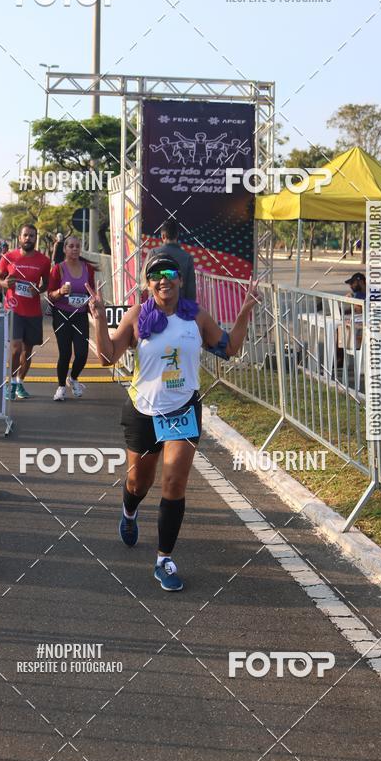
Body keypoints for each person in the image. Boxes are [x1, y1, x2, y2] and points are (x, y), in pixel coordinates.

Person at [87, 254, 258, 592]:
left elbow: (230, 348)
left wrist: (245, 312)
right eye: (155, 274)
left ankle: (164, 559)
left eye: (169, 273)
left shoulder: (197, 317)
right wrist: (99, 319)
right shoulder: (137, 316)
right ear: (148, 283)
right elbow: (107, 357)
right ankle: (129, 510)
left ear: (180, 279)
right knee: (139, 483)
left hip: (182, 410)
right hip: (144, 411)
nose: (163, 279)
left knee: (174, 483)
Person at [0, 223, 50, 399]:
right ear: (20, 238)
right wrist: (4, 283)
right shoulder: (9, 257)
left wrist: (38, 290)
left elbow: (46, 284)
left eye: (31, 236)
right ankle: (10, 383)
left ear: (35, 238)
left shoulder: (44, 260)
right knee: (15, 349)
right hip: (14, 309)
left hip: (33, 312)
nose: (28, 238)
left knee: (27, 351)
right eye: (25, 235)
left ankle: (19, 382)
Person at [47, 235, 96, 400]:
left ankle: (73, 378)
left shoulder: (88, 268)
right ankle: (61, 387)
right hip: (62, 314)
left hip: (80, 315)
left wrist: (93, 305)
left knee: (82, 353)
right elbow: (50, 295)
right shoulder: (58, 269)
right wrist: (60, 292)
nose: (75, 249)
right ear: (64, 249)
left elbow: (92, 291)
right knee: (65, 353)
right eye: (71, 246)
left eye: (77, 246)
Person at [143, 219, 197, 301]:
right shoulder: (187, 257)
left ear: (163, 236)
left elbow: (144, 281)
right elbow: (191, 289)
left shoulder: (153, 253)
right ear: (177, 235)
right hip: (179, 304)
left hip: (156, 303)